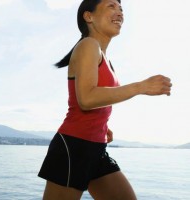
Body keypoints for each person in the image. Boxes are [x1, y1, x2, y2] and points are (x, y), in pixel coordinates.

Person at [38, 0, 172, 199]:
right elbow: (86, 98)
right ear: (89, 16)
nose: (119, 13)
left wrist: (102, 124)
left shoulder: (105, 57)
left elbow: (93, 98)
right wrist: (140, 87)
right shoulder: (88, 45)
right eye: (111, 6)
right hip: (73, 147)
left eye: (121, 9)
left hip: (96, 147)